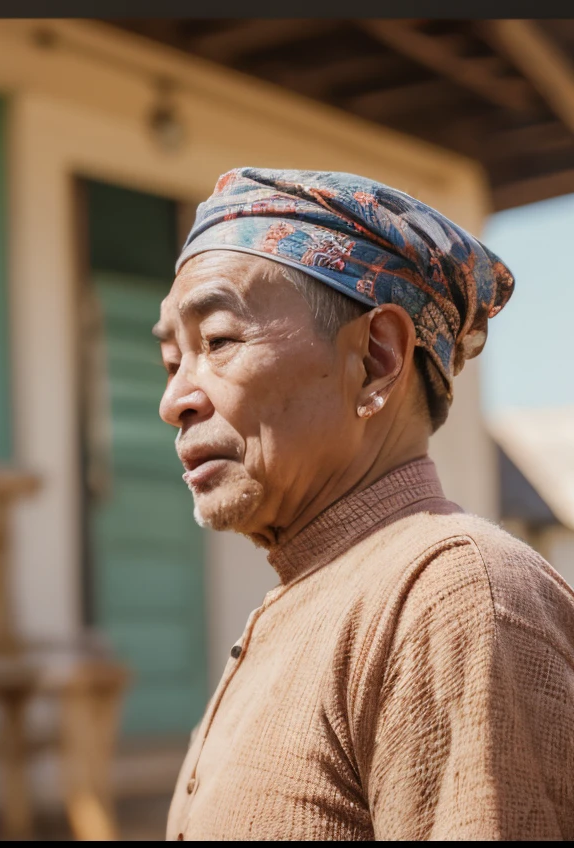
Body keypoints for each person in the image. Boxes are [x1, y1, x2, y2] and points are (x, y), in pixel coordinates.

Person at [155, 168, 574, 840]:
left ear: (377, 361)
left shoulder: (451, 597)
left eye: (220, 341)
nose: (175, 399)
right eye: (172, 359)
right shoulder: (310, 598)